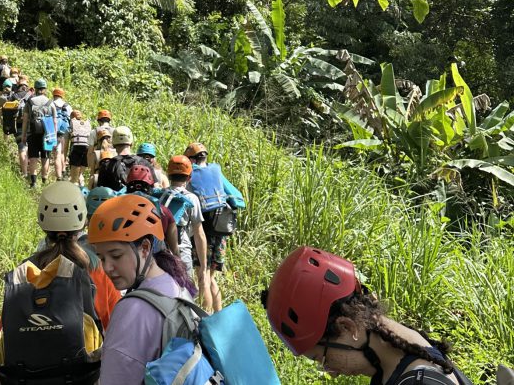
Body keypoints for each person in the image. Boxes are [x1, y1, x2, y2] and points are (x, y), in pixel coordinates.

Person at [262, 246, 473, 385]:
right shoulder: (399, 347)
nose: (331, 372)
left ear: (347, 327)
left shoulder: (419, 381)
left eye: (323, 359)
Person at [88, 195, 197, 385]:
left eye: (116, 255)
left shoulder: (132, 310)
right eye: (102, 258)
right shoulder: (177, 282)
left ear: (145, 248)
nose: (107, 268)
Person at [30, 182, 120, 330]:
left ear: (41, 223)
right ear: (84, 222)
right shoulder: (98, 269)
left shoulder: (25, 271)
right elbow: (116, 326)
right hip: (85, 352)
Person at [185, 141, 244, 313]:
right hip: (222, 231)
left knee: (202, 276)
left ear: (192, 160)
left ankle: (206, 318)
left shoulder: (192, 174)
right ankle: (218, 315)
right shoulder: (216, 170)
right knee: (211, 278)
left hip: (205, 232)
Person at [161, 155, 211, 311]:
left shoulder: (161, 196)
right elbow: (199, 233)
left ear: (169, 176)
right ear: (189, 178)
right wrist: (203, 266)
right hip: (182, 252)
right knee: (186, 295)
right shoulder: (191, 199)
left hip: (161, 251)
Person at [123, 165, 179, 256]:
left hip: (128, 259)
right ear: (151, 187)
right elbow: (175, 249)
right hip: (155, 261)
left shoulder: (118, 208)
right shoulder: (164, 211)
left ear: (128, 186)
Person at [96, 126, 156, 191]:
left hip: (117, 201)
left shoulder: (106, 166)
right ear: (131, 143)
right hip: (140, 200)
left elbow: (101, 192)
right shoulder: (145, 163)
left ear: (113, 143)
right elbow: (154, 188)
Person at [21, 78, 57, 188]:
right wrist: (54, 136)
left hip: (33, 133)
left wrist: (23, 135)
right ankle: (44, 182)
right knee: (45, 157)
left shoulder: (30, 102)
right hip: (47, 134)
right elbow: (54, 121)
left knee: (33, 158)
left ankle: (33, 182)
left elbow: (25, 120)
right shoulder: (51, 103)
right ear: (45, 89)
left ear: (35, 89)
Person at [10, 76, 32, 176]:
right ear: (26, 86)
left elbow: (8, 112)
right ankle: (31, 171)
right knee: (29, 147)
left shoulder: (14, 96)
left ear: (18, 86)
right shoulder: (31, 96)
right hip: (30, 126)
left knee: (22, 147)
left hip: (18, 124)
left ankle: (24, 173)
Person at [51, 88, 73, 180]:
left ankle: (58, 174)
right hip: (66, 129)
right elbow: (71, 119)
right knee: (64, 151)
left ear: (53, 95)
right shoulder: (67, 106)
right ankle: (63, 170)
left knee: (56, 152)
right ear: (62, 95)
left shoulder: (51, 104)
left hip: (54, 128)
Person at [68, 110, 92, 186]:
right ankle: (82, 187)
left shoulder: (72, 122)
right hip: (86, 148)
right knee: (80, 174)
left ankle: (74, 190)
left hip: (76, 147)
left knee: (74, 177)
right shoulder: (86, 123)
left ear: (72, 117)